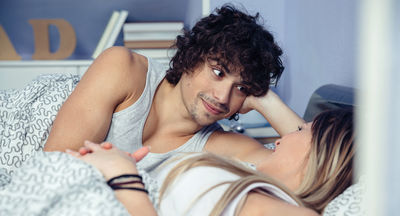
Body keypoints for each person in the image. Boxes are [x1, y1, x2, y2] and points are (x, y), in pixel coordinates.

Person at [66, 108, 355, 216]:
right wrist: (118, 168)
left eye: (302, 130)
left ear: (324, 150)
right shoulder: (253, 179)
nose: (281, 139)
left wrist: (124, 178)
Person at [44, 5, 304, 174]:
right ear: (193, 56)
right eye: (218, 72)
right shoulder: (124, 68)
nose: (222, 97)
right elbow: (54, 168)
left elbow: (316, 166)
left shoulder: (221, 145)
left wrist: (266, 100)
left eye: (241, 88)